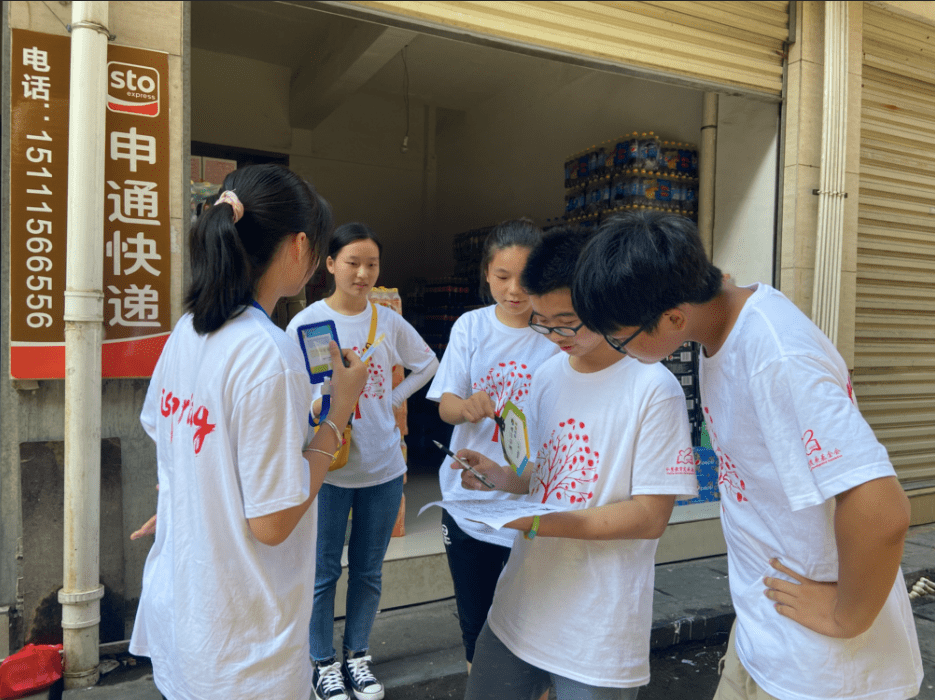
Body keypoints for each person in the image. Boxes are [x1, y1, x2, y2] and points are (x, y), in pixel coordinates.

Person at [572, 210, 923, 700]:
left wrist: (847, 614)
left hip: (825, 672)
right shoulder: (715, 323)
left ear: (673, 317)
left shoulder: (778, 361)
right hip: (767, 634)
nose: (615, 348)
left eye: (620, 337)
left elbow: (882, 511)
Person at [129, 164, 369, 700]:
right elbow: (273, 522)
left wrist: (192, 498)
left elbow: (179, 444)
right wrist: (336, 416)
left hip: (188, 624)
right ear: (300, 245)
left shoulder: (189, 330)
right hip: (242, 646)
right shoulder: (267, 353)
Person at [455, 228, 699, 700]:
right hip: (520, 607)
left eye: (567, 322)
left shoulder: (653, 388)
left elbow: (650, 517)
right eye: (541, 323)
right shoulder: (546, 376)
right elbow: (544, 476)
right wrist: (502, 478)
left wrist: (538, 522)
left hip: (596, 631)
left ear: (602, 302)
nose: (555, 337)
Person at [286, 223, 439, 700]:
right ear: (330, 264)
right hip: (327, 470)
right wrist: (316, 407)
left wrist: (393, 398)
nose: (363, 272)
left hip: (382, 467)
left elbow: (429, 363)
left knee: (369, 571)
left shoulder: (387, 321)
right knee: (323, 571)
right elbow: (289, 391)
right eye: (352, 261)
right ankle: (320, 662)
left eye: (371, 263)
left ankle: (357, 656)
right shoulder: (305, 322)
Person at [425, 218, 559, 672]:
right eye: (502, 277)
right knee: (477, 628)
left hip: (530, 498)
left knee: (533, 628)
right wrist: (466, 408)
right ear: (486, 274)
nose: (514, 290)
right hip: (470, 498)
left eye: (526, 277)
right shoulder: (471, 326)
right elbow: (444, 404)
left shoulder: (557, 334)